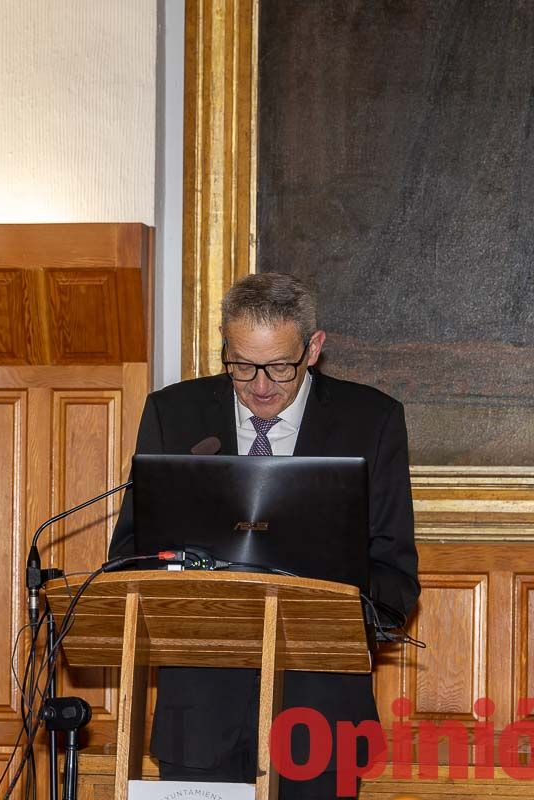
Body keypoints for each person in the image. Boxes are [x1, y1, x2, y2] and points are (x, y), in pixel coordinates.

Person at [109, 272, 421, 798]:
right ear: (224, 350)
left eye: (279, 366)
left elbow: (396, 580)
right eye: (241, 366)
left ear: (313, 349)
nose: (259, 385)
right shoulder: (174, 415)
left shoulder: (371, 421)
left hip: (320, 719)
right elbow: (129, 559)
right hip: (200, 721)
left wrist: (326, 603)